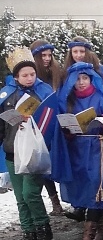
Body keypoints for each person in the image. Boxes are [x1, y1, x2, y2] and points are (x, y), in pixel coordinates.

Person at [2, 47, 55, 240]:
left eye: (32, 74)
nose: (29, 78)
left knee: (30, 193)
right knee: (20, 198)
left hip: (34, 151)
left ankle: (43, 229)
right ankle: (28, 233)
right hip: (12, 151)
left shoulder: (43, 92)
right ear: (16, 77)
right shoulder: (6, 95)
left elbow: (51, 119)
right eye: (24, 75)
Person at [57, 62, 103, 240]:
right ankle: (102, 231)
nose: (81, 83)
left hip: (99, 148)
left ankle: (88, 235)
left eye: (85, 78)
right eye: (77, 79)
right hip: (77, 150)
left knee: (98, 187)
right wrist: (67, 130)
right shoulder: (68, 100)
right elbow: (62, 126)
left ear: (91, 79)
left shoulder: (102, 97)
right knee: (85, 188)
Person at [29, 39, 65, 216]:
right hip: (41, 124)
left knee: (63, 160)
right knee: (44, 164)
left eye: (49, 55)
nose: (47, 58)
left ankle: (73, 200)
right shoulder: (31, 75)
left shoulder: (58, 73)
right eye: (43, 55)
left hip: (59, 121)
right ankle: (55, 201)